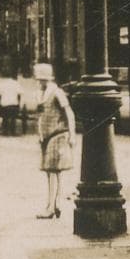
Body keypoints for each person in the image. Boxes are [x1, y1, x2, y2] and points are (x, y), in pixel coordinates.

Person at [35, 62, 75, 218]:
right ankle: (55, 204)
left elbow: (69, 113)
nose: (40, 82)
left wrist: (72, 134)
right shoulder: (42, 94)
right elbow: (41, 116)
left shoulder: (57, 92)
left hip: (57, 135)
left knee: (52, 171)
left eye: (42, 80)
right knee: (52, 171)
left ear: (48, 80)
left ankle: (51, 207)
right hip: (47, 137)